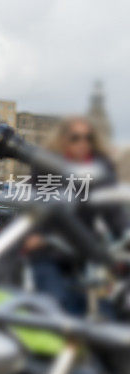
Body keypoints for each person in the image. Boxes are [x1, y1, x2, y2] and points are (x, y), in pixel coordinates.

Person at [24, 116, 123, 315]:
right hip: (50, 249)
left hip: (85, 251)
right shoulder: (48, 168)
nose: (83, 143)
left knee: (106, 310)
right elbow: (35, 207)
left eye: (88, 138)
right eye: (75, 138)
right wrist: (37, 235)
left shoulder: (100, 170)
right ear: (63, 140)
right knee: (56, 303)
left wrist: (124, 236)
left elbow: (114, 212)